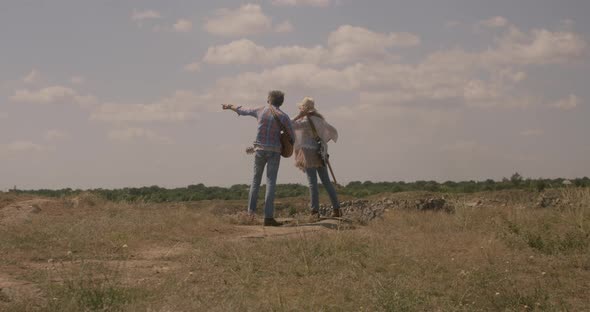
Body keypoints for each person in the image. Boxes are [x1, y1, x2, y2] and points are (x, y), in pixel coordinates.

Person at [222, 90, 295, 226]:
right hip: (274, 151)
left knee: (255, 181)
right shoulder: (284, 117)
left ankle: (250, 215)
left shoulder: (261, 110)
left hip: (260, 150)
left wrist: (230, 106)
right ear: (281, 102)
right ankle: (268, 217)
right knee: (271, 183)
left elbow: (243, 110)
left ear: (269, 99)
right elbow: (292, 137)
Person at [291, 97, 341, 218]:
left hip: (308, 153)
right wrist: (323, 141)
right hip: (320, 153)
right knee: (326, 182)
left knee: (312, 183)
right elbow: (332, 131)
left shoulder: (304, 121)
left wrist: (299, 115)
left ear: (303, 109)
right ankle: (337, 209)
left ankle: (315, 212)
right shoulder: (320, 120)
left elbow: (289, 124)